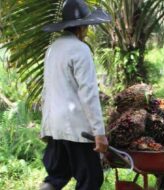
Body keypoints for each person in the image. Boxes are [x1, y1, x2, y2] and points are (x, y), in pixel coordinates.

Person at [40, 0, 111, 190]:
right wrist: (99, 133)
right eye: (87, 26)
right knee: (91, 179)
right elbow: (88, 93)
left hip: (56, 124)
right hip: (77, 128)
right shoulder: (80, 49)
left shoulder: (53, 48)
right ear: (82, 27)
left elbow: (47, 89)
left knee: (56, 176)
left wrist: (46, 127)